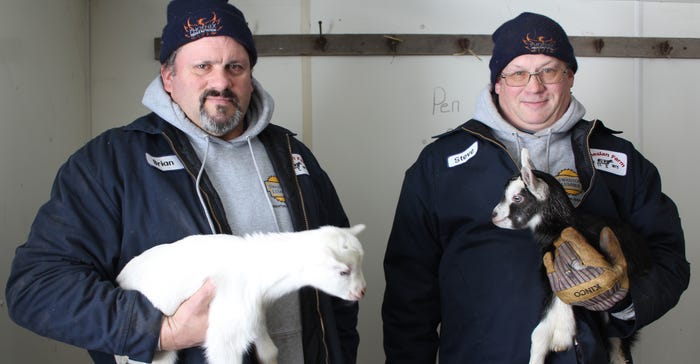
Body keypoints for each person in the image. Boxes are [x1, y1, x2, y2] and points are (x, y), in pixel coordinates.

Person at [5, 1, 359, 363]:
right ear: (168, 77)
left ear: (250, 77)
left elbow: (339, 276)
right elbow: (36, 287)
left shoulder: (293, 156)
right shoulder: (111, 163)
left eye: (234, 66)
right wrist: (161, 331)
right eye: (202, 66)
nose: (220, 81)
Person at [382, 12, 689, 364]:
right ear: (497, 82)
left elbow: (669, 259)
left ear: (570, 76)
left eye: (549, 70)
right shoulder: (440, 165)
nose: (534, 86)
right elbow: (409, 291)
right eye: (517, 73)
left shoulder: (619, 160)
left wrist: (621, 302)